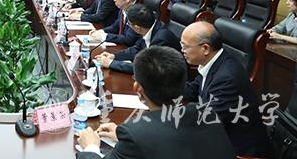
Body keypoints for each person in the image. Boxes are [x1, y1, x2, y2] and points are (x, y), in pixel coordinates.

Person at [76, 46, 235, 159]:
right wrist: (126, 140)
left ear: (138, 88)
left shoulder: (135, 133)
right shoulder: (207, 114)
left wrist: (91, 147)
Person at [181, 21, 270, 156]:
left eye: (185, 46)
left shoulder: (226, 78)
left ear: (205, 48)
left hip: (238, 149)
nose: (182, 50)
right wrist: (159, 92)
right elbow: (193, 89)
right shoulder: (213, 62)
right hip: (218, 134)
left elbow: (206, 120)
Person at [94, 3, 180, 73]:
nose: (128, 26)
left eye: (129, 24)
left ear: (137, 28)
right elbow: (135, 50)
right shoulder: (149, 28)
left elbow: (146, 68)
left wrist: (111, 63)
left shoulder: (161, 39)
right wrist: (113, 56)